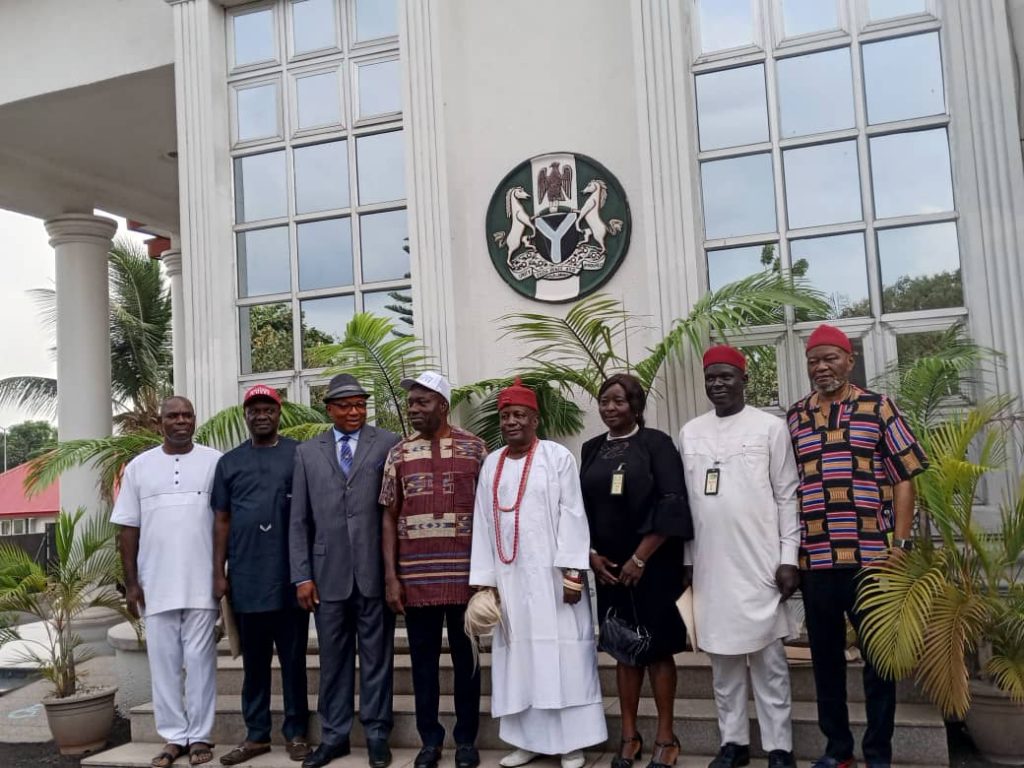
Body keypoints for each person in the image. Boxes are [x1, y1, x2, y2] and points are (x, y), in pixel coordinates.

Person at [787, 325, 928, 768]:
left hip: (872, 558)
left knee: (878, 664)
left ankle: (877, 754)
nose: (822, 367)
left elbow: (904, 476)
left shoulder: (877, 406)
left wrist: (901, 543)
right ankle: (838, 751)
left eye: (830, 358)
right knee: (825, 663)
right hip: (816, 560)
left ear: (850, 360)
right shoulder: (794, 416)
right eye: (814, 360)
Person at [469, 378, 607, 768]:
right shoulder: (491, 464)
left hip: (554, 583)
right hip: (511, 584)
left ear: (535, 419)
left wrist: (573, 574)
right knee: (520, 662)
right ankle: (526, 740)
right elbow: (482, 522)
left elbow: (573, 515)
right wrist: (485, 583)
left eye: (519, 415)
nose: (512, 422)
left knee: (564, 659)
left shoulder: (556, 457)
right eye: (506, 415)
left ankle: (571, 743)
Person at [680, 346, 800, 768]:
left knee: (769, 663)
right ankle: (733, 743)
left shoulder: (771, 428)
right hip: (711, 566)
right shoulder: (690, 431)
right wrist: (689, 560)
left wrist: (790, 557)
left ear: (745, 380)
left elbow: (787, 495)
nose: (718, 384)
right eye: (711, 377)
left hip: (761, 564)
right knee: (723, 664)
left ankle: (779, 747)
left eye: (726, 377)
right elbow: (690, 505)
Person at [289, 374, 402, 768]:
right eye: (345, 405)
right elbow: (298, 521)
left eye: (360, 404)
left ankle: (375, 735)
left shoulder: (387, 443)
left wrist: (394, 574)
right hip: (326, 576)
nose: (354, 411)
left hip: (373, 572)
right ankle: (333, 737)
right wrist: (302, 575)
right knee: (333, 661)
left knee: (377, 658)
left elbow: (394, 511)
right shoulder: (306, 453)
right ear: (329, 409)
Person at [580, 373, 692, 768]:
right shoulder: (591, 449)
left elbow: (672, 501)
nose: (610, 408)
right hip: (608, 569)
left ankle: (665, 734)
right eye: (604, 401)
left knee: (658, 651)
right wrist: (590, 554)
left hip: (653, 566)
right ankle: (629, 735)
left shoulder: (656, 444)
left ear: (636, 406)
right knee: (623, 651)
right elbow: (581, 510)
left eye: (619, 401)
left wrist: (640, 557)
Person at [380, 371, 487, 768]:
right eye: (410, 404)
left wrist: (485, 576)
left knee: (467, 665)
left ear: (443, 405)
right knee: (423, 664)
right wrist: (392, 577)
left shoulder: (476, 449)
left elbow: (487, 515)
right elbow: (389, 516)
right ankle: (430, 741)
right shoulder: (398, 453)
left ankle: (465, 742)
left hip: (466, 578)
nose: (413, 409)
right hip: (416, 578)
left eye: (422, 402)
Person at [111, 396, 221, 768]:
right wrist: (132, 583)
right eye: (172, 415)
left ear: (195, 420)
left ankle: (201, 735)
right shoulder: (139, 467)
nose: (180, 421)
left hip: (202, 582)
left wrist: (224, 573)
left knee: (201, 662)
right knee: (164, 663)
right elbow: (128, 528)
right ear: (160, 423)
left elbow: (225, 522)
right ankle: (174, 737)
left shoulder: (214, 461)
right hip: (155, 584)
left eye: (187, 415)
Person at [212, 384, 310, 765]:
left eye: (268, 408)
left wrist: (308, 573)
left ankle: (297, 732)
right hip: (247, 579)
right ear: (245, 415)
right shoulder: (229, 463)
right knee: (254, 664)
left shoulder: (298, 455)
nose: (261, 415)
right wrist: (218, 572)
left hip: (289, 579)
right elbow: (221, 520)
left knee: (294, 663)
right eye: (254, 409)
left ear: (279, 412)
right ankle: (256, 735)